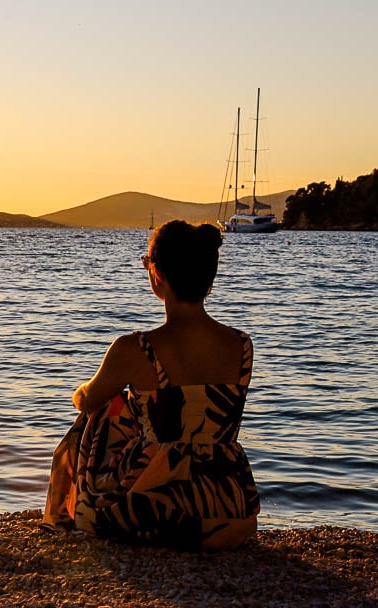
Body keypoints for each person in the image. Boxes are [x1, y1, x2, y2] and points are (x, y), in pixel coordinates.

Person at [42, 220, 259, 551]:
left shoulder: (135, 349)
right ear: (209, 278)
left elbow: (86, 400)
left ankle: (70, 512)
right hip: (229, 510)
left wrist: (84, 394)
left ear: (157, 275)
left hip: (155, 510)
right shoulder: (241, 344)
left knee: (99, 412)